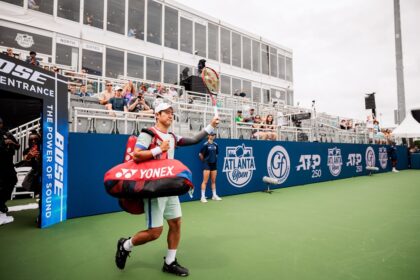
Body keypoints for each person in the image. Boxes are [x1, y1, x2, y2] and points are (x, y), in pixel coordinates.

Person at [115, 103, 219, 276]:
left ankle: (169, 262)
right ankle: (125, 245)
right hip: (153, 188)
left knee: (176, 223)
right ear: (157, 115)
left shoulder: (172, 136)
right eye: (167, 113)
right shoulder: (148, 133)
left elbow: (193, 140)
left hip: (169, 187)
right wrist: (158, 149)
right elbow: (136, 154)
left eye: (172, 113)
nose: (171, 115)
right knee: (154, 232)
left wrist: (210, 126)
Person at [0, 117, 20, 225]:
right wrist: (3, 143)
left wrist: (11, 142)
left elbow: (18, 146)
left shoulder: (7, 134)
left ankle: (1, 203)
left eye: (0, 123)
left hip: (7, 163)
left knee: (12, 180)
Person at [198, 132, 221, 203]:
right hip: (207, 164)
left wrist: (213, 159)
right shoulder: (205, 145)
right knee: (205, 181)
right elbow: (200, 154)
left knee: (213, 181)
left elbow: (216, 154)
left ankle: (214, 195)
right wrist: (205, 161)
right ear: (208, 136)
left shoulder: (216, 145)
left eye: (214, 135)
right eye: (211, 135)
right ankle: (202, 197)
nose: (213, 136)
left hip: (214, 164)